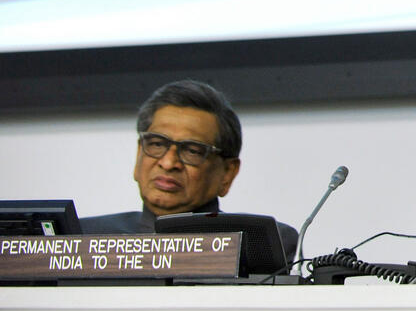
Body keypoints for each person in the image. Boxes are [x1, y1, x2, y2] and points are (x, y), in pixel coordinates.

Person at [79, 79, 299, 263]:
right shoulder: (81, 239)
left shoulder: (261, 244)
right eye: (156, 144)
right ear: (139, 155)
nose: (168, 162)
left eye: (192, 151)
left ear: (227, 173)